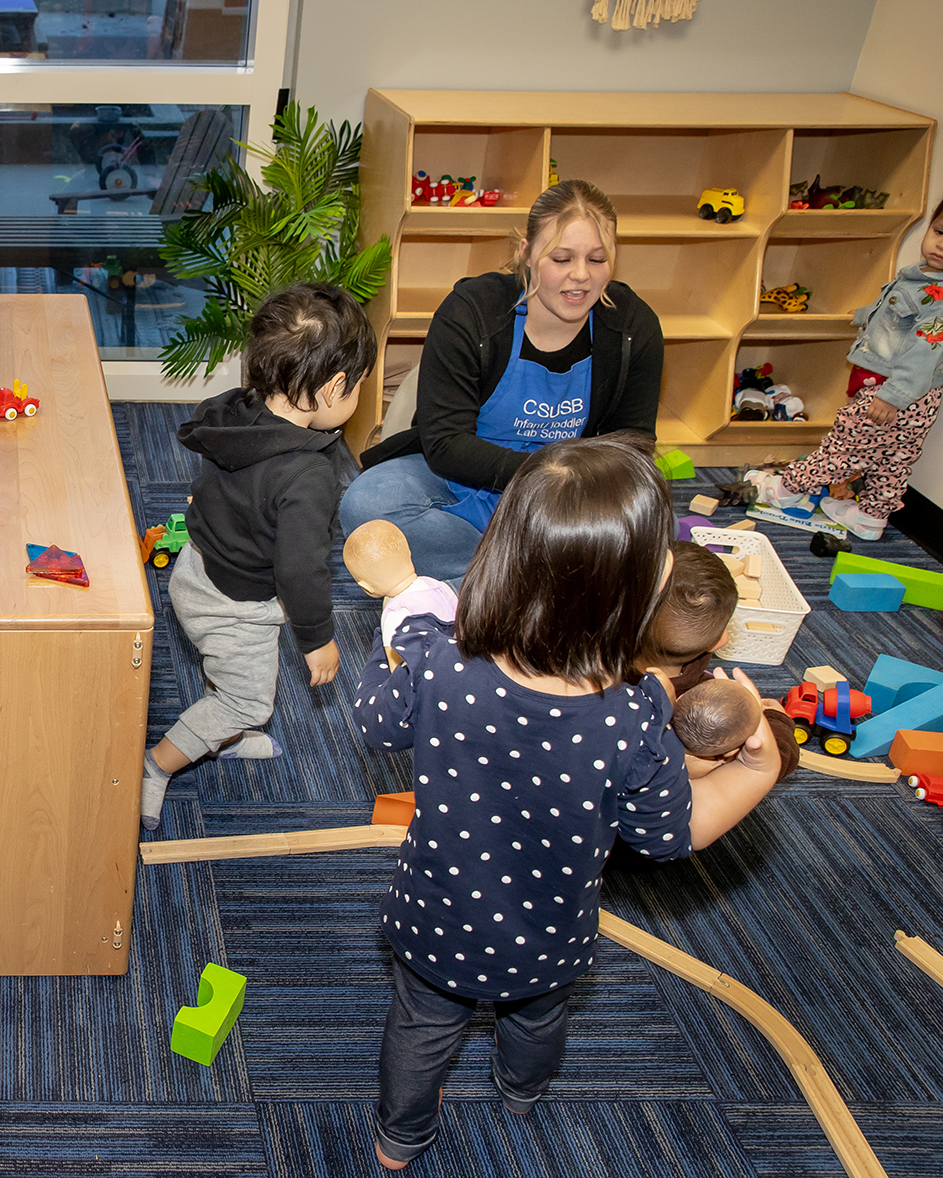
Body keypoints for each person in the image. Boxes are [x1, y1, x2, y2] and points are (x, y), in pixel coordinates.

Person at [353, 434, 781, 1170]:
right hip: (546, 939)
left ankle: (399, 1139)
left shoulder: (442, 662)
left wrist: (405, 624)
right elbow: (672, 833)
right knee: (537, 1019)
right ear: (632, 597)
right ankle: (523, 1090)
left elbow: (373, 717)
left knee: (420, 1030)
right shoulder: (637, 713)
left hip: (436, 921)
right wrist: (758, 765)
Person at [341, 181, 665, 582]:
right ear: (525, 253)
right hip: (464, 478)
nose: (580, 276)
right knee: (367, 504)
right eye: (561, 258)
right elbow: (445, 444)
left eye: (597, 260)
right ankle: (524, 579)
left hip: (563, 497)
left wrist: (566, 489)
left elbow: (632, 444)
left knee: (653, 527)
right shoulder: (471, 312)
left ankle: (484, 585)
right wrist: (547, 472)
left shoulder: (634, 327)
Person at [139, 283, 374, 831]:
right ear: (336, 386)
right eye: (360, 385)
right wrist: (317, 639)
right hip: (237, 602)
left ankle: (225, 733)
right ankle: (157, 764)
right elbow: (299, 569)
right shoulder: (308, 477)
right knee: (251, 700)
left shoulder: (236, 411)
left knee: (231, 670)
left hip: (197, 569)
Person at [744, 196, 943, 540]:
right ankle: (870, 517)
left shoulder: (936, 297)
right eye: (939, 231)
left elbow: (926, 351)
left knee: (844, 447)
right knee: (894, 456)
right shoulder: (922, 279)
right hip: (922, 397)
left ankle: (786, 488)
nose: (941, 244)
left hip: (892, 389)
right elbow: (896, 317)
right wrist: (867, 315)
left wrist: (892, 396)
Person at [635, 540, 799, 781]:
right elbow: (779, 758)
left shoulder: (592, 673)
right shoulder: (703, 704)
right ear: (720, 641)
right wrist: (776, 721)